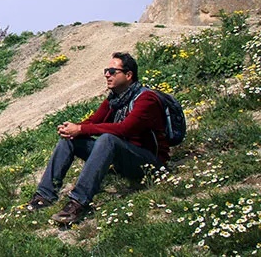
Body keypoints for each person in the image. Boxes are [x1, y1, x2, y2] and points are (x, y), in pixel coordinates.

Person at [26, 52, 169, 225]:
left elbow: (125, 129)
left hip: (149, 164)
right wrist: (73, 129)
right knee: (70, 139)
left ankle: (78, 203)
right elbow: (94, 121)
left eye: (112, 71)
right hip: (123, 158)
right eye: (106, 71)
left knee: (108, 139)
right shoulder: (115, 99)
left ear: (129, 75)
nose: (107, 75)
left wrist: (81, 129)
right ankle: (44, 196)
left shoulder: (146, 98)